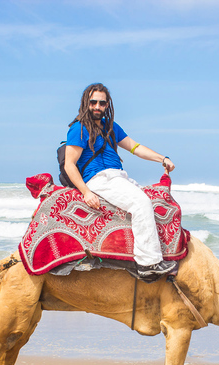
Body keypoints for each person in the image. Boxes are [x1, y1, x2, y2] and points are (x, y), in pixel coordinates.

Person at [63, 83, 177, 278]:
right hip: (100, 179)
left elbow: (135, 147)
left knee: (157, 201)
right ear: (86, 103)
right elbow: (69, 164)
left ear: (107, 105)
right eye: (93, 102)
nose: (97, 107)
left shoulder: (111, 127)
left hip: (119, 177)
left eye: (102, 103)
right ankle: (148, 264)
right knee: (141, 203)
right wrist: (86, 192)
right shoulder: (79, 129)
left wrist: (163, 159)